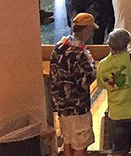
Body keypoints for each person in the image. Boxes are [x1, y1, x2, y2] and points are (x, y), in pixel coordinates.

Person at [50, 13, 98, 156]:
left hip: (61, 105)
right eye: (91, 30)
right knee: (80, 145)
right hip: (77, 107)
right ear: (86, 30)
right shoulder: (79, 54)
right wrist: (94, 68)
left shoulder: (58, 47)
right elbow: (85, 80)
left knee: (68, 141)